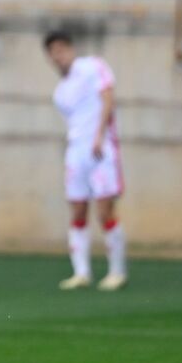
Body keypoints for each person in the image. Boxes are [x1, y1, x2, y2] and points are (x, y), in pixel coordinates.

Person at [44, 30, 126, 292]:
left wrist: (99, 135)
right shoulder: (60, 92)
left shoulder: (93, 67)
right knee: (78, 211)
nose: (57, 57)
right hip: (76, 154)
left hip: (101, 151)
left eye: (60, 50)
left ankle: (117, 271)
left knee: (104, 211)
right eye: (52, 53)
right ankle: (81, 272)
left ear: (69, 48)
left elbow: (108, 98)